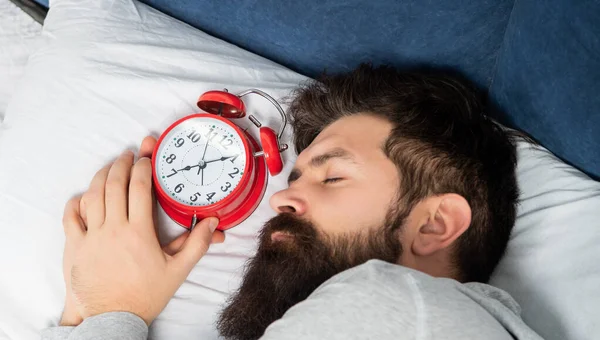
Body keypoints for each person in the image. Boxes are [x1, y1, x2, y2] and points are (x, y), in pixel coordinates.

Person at [42, 64, 542, 340]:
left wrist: (106, 312)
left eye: (334, 177)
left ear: (434, 225)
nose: (281, 196)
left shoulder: (391, 304)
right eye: (296, 176)